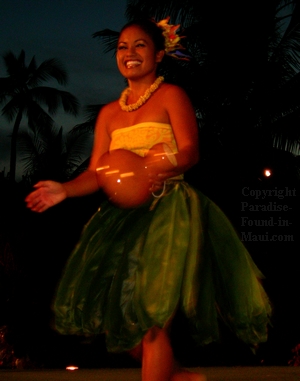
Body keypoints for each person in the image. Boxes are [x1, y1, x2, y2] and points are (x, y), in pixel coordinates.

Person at [25, 18, 271, 381]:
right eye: (123, 47)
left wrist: (158, 165)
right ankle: (178, 376)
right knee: (118, 325)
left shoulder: (172, 96)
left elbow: (189, 152)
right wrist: (64, 189)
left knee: (152, 317)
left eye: (140, 45)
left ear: (158, 54)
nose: (129, 53)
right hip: (122, 219)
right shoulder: (109, 115)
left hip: (169, 212)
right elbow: (96, 173)